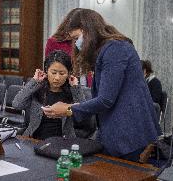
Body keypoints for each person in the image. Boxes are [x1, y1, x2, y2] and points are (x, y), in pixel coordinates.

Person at [42, 9, 161, 162]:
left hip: (129, 134)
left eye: (76, 38)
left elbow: (106, 99)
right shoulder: (108, 49)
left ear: (87, 29)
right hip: (116, 131)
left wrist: (69, 109)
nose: (76, 44)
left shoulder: (115, 49)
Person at [12, 50, 85, 140]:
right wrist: (34, 81)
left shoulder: (72, 91)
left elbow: (84, 115)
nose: (57, 78)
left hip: (63, 142)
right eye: (53, 73)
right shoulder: (37, 88)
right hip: (33, 140)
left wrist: (76, 88)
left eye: (62, 73)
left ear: (69, 73)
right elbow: (17, 104)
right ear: (46, 70)